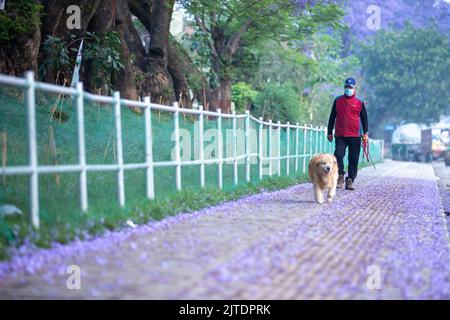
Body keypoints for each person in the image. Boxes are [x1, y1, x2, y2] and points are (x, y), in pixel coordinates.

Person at [327, 77, 369, 190]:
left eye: (350, 87)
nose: (348, 89)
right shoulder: (337, 100)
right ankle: (340, 175)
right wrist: (329, 132)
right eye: (346, 87)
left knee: (353, 158)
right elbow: (332, 117)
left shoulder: (359, 102)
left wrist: (366, 133)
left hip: (355, 135)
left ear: (355, 88)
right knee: (338, 155)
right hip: (340, 134)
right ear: (344, 87)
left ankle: (350, 180)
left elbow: (364, 119)